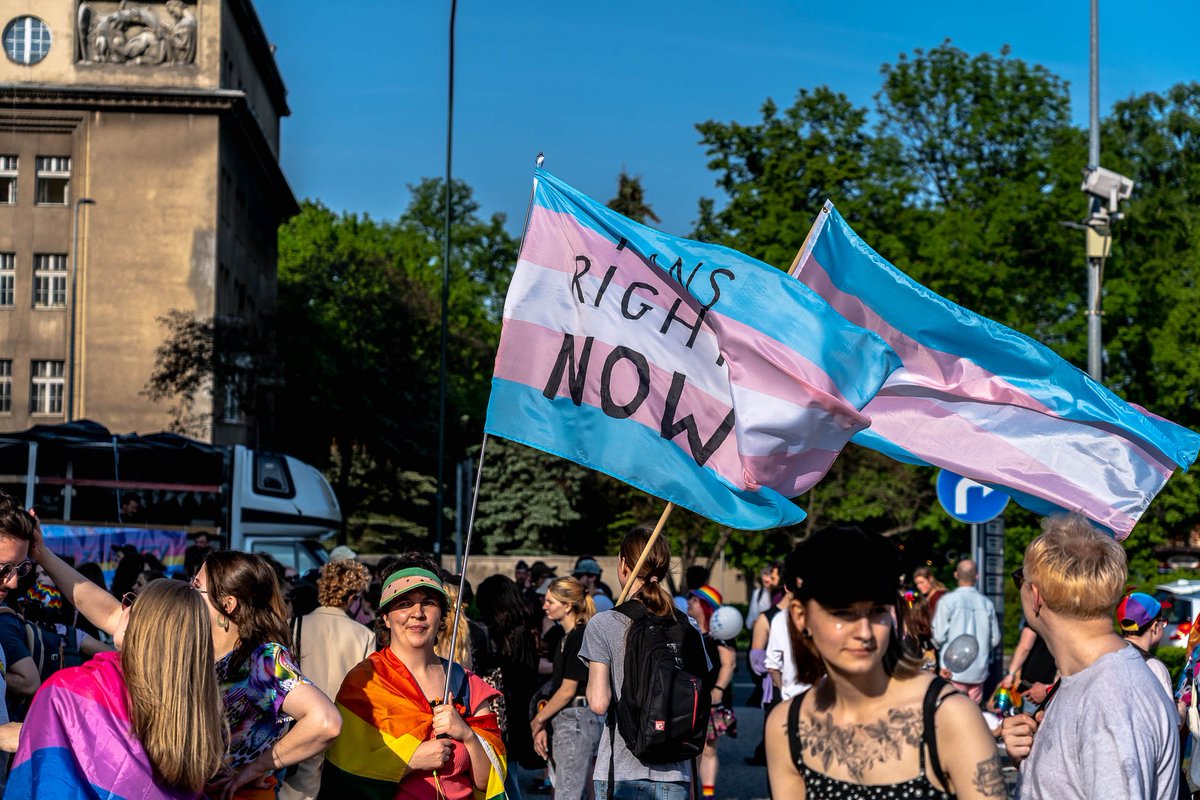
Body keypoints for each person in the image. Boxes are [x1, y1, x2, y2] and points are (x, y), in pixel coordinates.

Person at [32, 541, 342, 800]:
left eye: (197, 586)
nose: (187, 589)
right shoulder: (189, 639)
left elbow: (325, 721)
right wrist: (42, 553)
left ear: (228, 603)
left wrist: (256, 768)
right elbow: (114, 615)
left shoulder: (262, 658)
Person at [766, 526, 1002, 800]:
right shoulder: (787, 726)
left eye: (878, 611)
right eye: (843, 613)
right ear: (800, 616)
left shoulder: (947, 716)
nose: (865, 633)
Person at [1001, 514, 1180, 799]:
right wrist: (1028, 762)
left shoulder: (1110, 699)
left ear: (1035, 595)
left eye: (1019, 579)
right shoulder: (1093, 681)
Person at [7, 579, 225, 798]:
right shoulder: (198, 705)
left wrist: (27, 731)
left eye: (132, 602)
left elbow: (47, 778)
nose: (125, 608)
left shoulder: (69, 690)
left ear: (144, 623)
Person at [318, 555, 506, 799]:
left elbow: (489, 781)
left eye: (428, 602)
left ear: (442, 616)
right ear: (386, 617)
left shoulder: (467, 684)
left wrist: (467, 735)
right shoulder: (364, 683)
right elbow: (344, 778)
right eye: (404, 603)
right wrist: (411, 760)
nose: (417, 613)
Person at [580, 527, 710, 800]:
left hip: (620, 771)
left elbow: (599, 703)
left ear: (624, 565)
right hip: (676, 771)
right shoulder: (689, 626)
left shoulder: (604, 623)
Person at [279, 559, 376, 800]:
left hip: (300, 726)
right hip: (345, 732)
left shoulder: (294, 625)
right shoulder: (364, 634)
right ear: (353, 597)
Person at [531, 577, 602, 800]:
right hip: (569, 720)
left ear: (567, 605)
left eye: (550, 602)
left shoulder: (580, 635)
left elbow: (568, 689)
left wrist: (538, 720)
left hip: (576, 719)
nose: (545, 606)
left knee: (567, 793)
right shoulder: (566, 637)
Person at [477, 574, 541, 776]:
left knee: (507, 771)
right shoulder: (525, 628)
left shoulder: (512, 634)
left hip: (512, 709)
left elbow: (518, 673)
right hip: (518, 706)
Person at [687, 585, 736, 800]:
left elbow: (729, 664)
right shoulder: (688, 630)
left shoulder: (720, 632)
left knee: (708, 748)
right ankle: (691, 793)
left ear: (706, 606)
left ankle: (707, 794)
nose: (689, 602)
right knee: (690, 750)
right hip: (689, 698)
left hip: (712, 699)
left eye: (694, 600)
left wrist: (718, 690)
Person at [931, 559, 1000, 703]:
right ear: (977, 576)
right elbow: (995, 640)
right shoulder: (987, 603)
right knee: (975, 714)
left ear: (956, 575)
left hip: (951, 671)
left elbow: (938, 636)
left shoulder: (947, 601)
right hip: (978, 671)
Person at [1116, 591, 1173, 698]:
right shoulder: (1155, 667)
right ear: (1155, 627)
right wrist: (1181, 711)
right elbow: (1167, 714)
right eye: (1163, 622)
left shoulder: (1109, 656)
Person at [998, 622, 1058, 713]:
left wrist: (1010, 674)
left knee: (1021, 720)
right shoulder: (1064, 619)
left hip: (1031, 686)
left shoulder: (1035, 618)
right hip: (1051, 685)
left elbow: (1024, 647)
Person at [745, 563, 781, 631]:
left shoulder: (779, 595)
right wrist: (753, 623)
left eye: (769, 576)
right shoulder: (758, 593)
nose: (766, 580)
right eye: (764, 574)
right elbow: (751, 616)